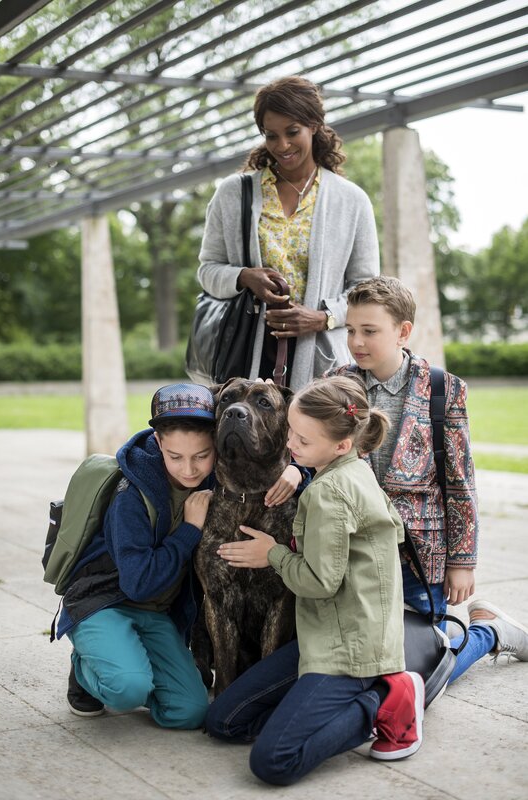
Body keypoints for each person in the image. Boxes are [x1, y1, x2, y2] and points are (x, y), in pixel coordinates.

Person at [205, 375, 425, 786]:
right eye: (291, 431)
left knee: (273, 762)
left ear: (340, 445)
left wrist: (271, 554)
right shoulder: (354, 469)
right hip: (322, 635)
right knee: (223, 721)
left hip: (349, 650)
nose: (290, 444)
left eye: (302, 440)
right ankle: (326, 707)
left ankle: (383, 702)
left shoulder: (327, 494)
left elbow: (319, 583)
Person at [58, 383, 305, 726]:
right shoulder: (131, 497)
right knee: (126, 688)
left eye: (201, 456)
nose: (189, 469)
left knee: (190, 712)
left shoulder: (212, 478)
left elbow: (293, 454)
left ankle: (132, 665)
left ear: (216, 444)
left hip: (157, 615)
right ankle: (88, 667)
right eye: (175, 457)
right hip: (107, 602)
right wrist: (189, 530)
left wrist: (299, 469)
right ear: (159, 443)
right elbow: (139, 585)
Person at [330, 275, 528, 676]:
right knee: (363, 665)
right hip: (354, 552)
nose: (356, 342)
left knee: (419, 674)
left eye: (369, 331)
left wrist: (462, 561)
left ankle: (488, 632)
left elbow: (459, 483)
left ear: (403, 332)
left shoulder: (442, 389)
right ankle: (457, 633)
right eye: (350, 330)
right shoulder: (336, 385)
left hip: (420, 556)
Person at [197, 75, 379, 391]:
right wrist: (244, 276)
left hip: (322, 359)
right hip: (245, 353)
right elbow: (207, 271)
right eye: (271, 135)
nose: (282, 145)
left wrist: (323, 318)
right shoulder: (233, 194)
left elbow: (366, 288)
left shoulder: (352, 200)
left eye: (292, 132)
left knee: (313, 424)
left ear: (314, 125)